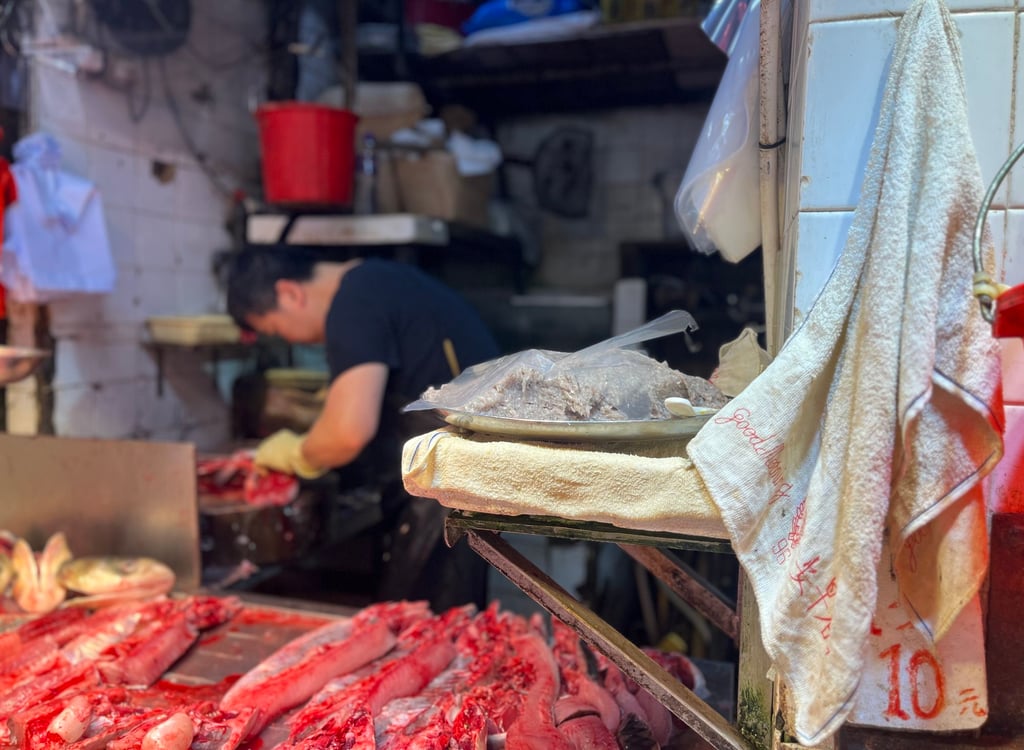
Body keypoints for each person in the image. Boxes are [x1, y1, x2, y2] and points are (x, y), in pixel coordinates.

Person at [225, 248, 500, 611]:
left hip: (443, 495)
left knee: (425, 624)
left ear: (289, 293)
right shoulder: (377, 281)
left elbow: (348, 433)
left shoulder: (352, 303)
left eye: (276, 330)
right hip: (460, 485)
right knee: (448, 624)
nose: (290, 340)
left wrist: (295, 453)